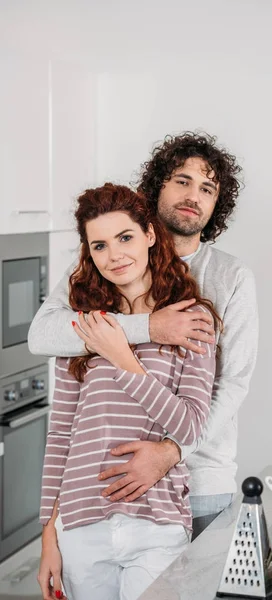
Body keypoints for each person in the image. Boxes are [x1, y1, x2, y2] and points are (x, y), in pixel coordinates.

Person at [29, 132, 259, 539]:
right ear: (157, 187)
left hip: (202, 480)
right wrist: (149, 327)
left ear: (216, 204)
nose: (194, 195)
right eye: (182, 181)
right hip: (108, 478)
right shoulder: (105, 261)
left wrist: (170, 453)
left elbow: (233, 382)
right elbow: (43, 336)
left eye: (207, 188)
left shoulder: (230, 277)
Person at [38, 183, 219, 600]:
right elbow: (60, 436)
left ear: (150, 235)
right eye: (99, 245)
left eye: (125, 238)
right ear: (89, 254)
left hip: (156, 523)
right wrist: (48, 535)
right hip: (80, 526)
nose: (114, 255)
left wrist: (122, 357)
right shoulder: (83, 329)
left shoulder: (192, 320)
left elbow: (190, 426)